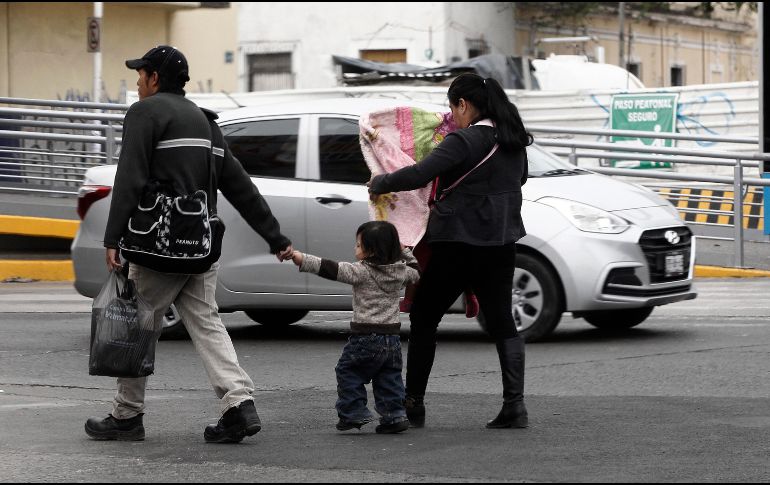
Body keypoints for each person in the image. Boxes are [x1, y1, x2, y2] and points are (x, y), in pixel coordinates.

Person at [84, 46, 294, 443]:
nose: (137, 81)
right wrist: (275, 237)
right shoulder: (206, 123)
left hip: (158, 247)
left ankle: (127, 416)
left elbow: (129, 177)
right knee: (207, 322)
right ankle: (239, 403)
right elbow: (240, 187)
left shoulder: (145, 113)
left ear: (155, 78)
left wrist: (112, 238)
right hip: (200, 246)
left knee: (138, 326)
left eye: (141, 73)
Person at [368, 72, 532, 429]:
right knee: (503, 321)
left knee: (425, 317)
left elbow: (419, 173)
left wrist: (380, 182)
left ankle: (413, 402)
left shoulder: (464, 140)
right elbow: (520, 181)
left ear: (464, 104)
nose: (452, 116)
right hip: (501, 243)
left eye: (453, 108)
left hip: (458, 243)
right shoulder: (513, 140)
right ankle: (514, 406)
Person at [290, 221, 420, 434]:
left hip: (366, 337)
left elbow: (331, 268)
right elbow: (416, 270)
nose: (355, 249)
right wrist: (404, 251)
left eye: (358, 245)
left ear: (371, 251)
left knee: (348, 371)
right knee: (389, 378)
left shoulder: (361, 271)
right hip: (392, 339)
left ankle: (353, 413)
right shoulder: (401, 273)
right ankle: (394, 416)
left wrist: (302, 258)